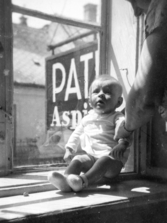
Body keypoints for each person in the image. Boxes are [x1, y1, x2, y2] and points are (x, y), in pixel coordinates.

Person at [48, 74, 130, 192]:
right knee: (78, 159)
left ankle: (82, 181)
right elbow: (76, 133)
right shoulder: (87, 118)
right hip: (91, 159)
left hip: (112, 162)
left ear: (118, 102)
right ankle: (65, 181)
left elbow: (123, 129)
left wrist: (122, 143)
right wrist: (70, 148)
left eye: (107, 92)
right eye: (96, 92)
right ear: (90, 101)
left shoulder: (117, 117)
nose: (100, 94)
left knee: (104, 160)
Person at [114, 0, 167, 140]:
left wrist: (125, 129)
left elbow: (143, 99)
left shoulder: (161, 6)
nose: (136, 12)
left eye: (133, 1)